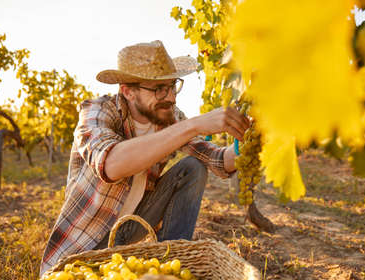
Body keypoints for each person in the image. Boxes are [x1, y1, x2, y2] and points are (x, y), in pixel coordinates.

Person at [39, 40, 249, 277]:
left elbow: (217, 159)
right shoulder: (98, 112)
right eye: (159, 88)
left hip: (129, 228)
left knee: (193, 167)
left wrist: (252, 146)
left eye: (172, 86)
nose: (170, 96)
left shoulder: (169, 116)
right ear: (128, 91)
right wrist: (193, 125)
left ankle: (172, 266)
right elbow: (111, 165)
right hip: (85, 242)